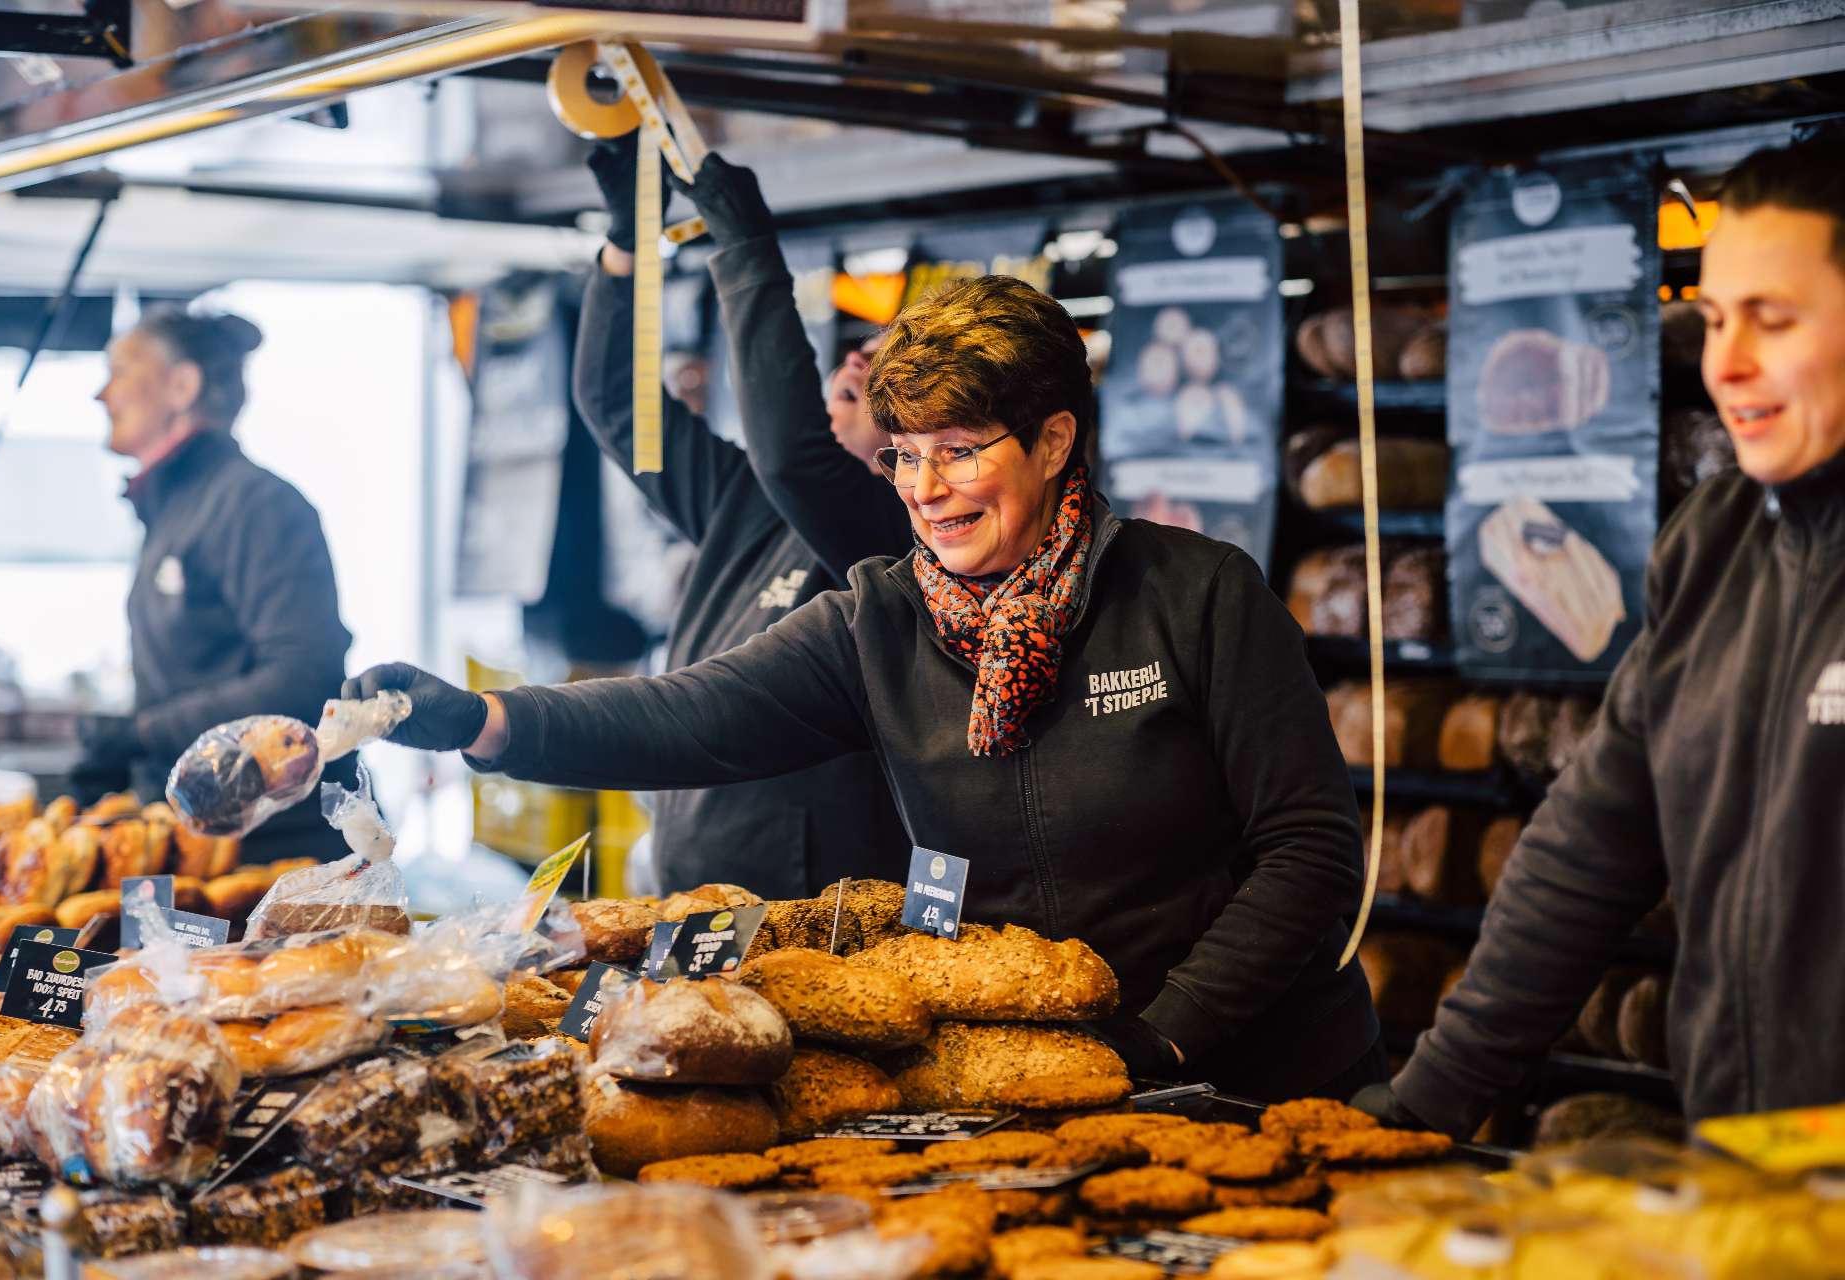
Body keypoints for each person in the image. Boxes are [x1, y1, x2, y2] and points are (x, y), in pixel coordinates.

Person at [349, 274, 1383, 1099]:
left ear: (1055, 440)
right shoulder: (880, 617)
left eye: (960, 452)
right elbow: (689, 715)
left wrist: (1162, 1035)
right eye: (905, 457)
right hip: (1041, 1081)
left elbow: (1310, 851)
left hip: (1258, 1071)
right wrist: (482, 720)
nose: (925, 491)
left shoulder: (1198, 594)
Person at [1354, 135, 1845, 1136]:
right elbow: (1591, 845)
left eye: (1773, 319)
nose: (1728, 364)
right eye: (1711, 319)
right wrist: (1424, 1103)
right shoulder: (1712, 547)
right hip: (1752, 1177)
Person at [569, 135, 911, 898]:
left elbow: (796, 452)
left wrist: (748, 249)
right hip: (688, 878)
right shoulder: (746, 499)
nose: (857, 359)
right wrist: (629, 246)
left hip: (805, 910)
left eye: (887, 365)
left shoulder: (899, 538)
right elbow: (615, 403)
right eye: (860, 349)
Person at [72, 307, 352, 863]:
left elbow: (303, 676)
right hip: (198, 832)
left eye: (120, 371)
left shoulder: (257, 505)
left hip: (273, 853)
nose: (101, 395)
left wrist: (145, 732)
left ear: (182, 385)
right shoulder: (175, 509)